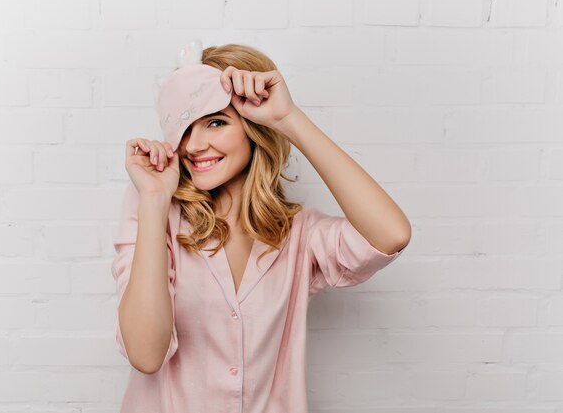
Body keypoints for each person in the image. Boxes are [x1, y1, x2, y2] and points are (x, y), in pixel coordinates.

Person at [111, 40, 411, 413]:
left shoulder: (298, 235)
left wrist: (289, 119)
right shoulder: (154, 209)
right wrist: (155, 203)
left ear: (254, 128)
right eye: (186, 128)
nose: (194, 145)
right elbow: (145, 354)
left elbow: (391, 235)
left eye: (216, 122)